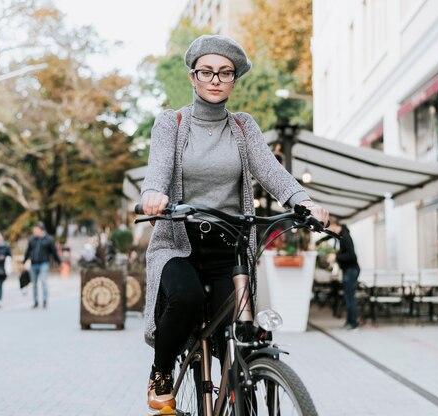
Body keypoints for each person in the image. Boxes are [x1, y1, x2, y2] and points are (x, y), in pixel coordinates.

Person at [139, 34, 329, 414]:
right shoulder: (172, 124)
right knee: (188, 298)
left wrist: (301, 200)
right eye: (206, 71)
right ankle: (161, 372)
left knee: (240, 323)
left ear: (233, 80)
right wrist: (154, 195)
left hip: (230, 245)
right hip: (180, 241)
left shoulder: (243, 127)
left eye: (224, 73)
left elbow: (271, 170)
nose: (215, 79)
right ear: (193, 77)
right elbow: (158, 169)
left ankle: (238, 382)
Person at [326, 216, 360, 330]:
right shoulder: (341, 236)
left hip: (351, 270)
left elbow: (351, 255)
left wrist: (336, 256)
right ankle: (350, 321)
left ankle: (353, 323)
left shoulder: (345, 237)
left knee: (350, 297)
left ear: (335, 225)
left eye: (329, 227)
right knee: (347, 296)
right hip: (348, 270)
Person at [22, 222, 61, 309]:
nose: (35, 232)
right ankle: (35, 301)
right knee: (34, 283)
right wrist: (24, 262)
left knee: (44, 281)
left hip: (44, 263)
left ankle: (45, 301)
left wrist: (59, 262)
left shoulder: (49, 239)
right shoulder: (32, 239)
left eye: (36, 230)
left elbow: (54, 252)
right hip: (34, 263)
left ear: (41, 230)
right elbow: (28, 252)